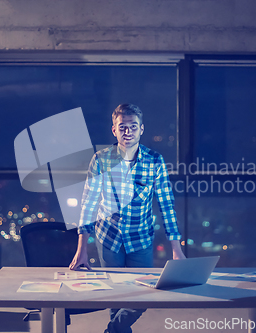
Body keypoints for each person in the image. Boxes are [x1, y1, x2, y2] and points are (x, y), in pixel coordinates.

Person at [69, 103, 186, 333]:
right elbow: (89, 203)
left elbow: (166, 205)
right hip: (108, 238)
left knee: (142, 297)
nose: (128, 131)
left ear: (141, 129)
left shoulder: (154, 161)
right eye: (122, 127)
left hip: (140, 239)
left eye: (133, 126)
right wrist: (82, 248)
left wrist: (176, 249)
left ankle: (111, 331)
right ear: (114, 130)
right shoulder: (101, 160)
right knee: (117, 298)